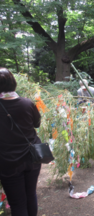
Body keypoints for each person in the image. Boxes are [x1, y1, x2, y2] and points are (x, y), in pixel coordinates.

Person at [0, 68, 42, 216]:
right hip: (32, 157)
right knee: (31, 195)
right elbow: (37, 124)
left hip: (8, 161)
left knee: (18, 203)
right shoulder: (27, 103)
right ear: (14, 83)